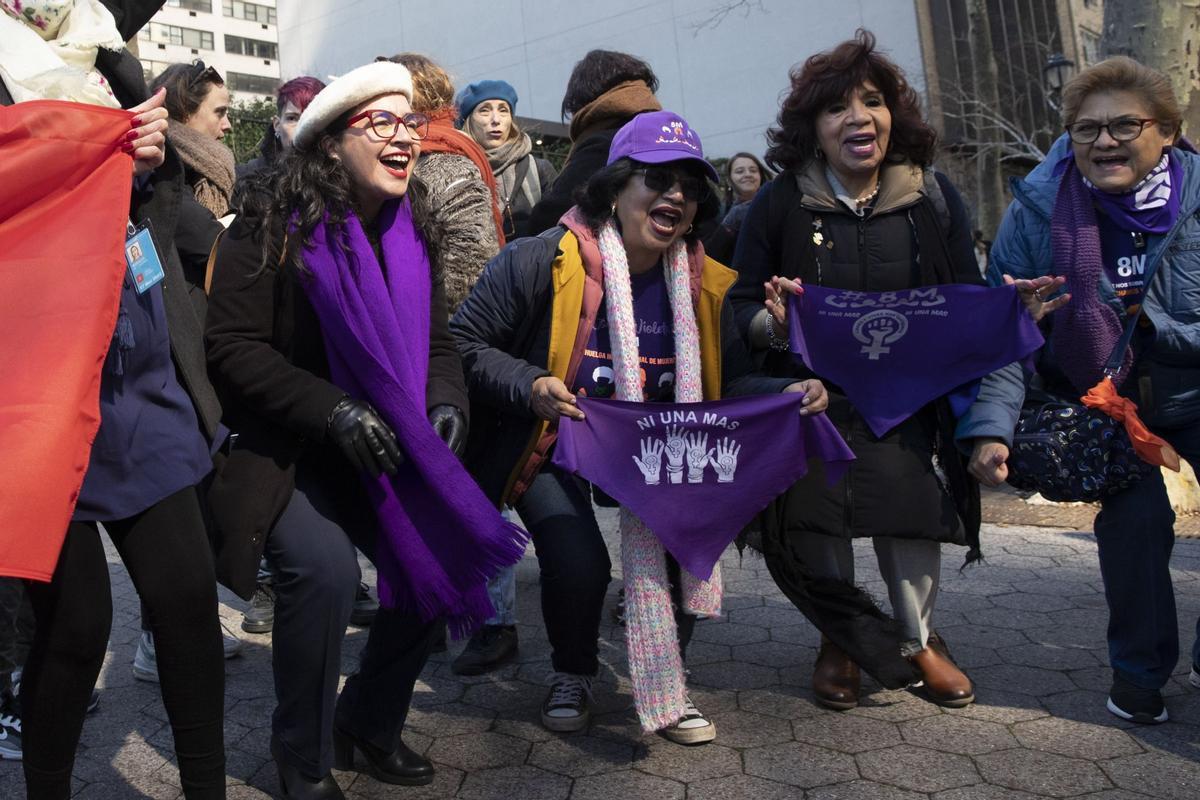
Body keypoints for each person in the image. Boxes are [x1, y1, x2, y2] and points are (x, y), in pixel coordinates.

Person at [451, 110, 828, 743]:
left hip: (661, 449)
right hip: (557, 438)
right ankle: (573, 673)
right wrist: (530, 385)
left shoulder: (704, 282)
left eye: (687, 184)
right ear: (615, 188)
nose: (674, 195)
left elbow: (728, 384)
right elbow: (462, 343)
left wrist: (785, 390)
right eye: (656, 180)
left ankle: (669, 684)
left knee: (684, 543)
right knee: (578, 560)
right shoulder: (542, 260)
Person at [206, 60, 524, 798]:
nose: (404, 137)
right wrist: (333, 409)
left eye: (409, 123)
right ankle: (302, 759)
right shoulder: (269, 219)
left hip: (381, 443)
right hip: (284, 445)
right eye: (382, 122)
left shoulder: (410, 226)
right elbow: (233, 350)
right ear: (331, 143)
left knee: (442, 553)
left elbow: (439, 341)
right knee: (325, 574)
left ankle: (368, 725)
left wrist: (446, 402)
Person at [731, 30, 1023, 712]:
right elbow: (740, 306)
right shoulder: (778, 205)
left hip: (907, 398)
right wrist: (772, 324)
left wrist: (1011, 312)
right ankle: (843, 638)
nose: (858, 118)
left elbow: (966, 301)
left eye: (872, 101)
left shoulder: (933, 198)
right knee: (820, 519)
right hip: (813, 400)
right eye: (836, 108)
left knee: (909, 514)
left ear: (895, 114)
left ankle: (918, 640)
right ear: (813, 129)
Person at [1, 1, 228, 795]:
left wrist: (148, 159)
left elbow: (155, 201)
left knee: (188, 598)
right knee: (75, 628)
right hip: (32, 393)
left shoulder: (101, 51)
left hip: (137, 381)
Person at [989, 55, 1200, 724]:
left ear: (1166, 131)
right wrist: (993, 421)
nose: (1104, 142)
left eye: (1124, 125)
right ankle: (1139, 676)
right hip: (1107, 398)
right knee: (1136, 530)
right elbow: (997, 326)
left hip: (1194, 384)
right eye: (1086, 130)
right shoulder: (1037, 209)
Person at [383, 53, 521, 675]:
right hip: (431, 347)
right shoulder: (434, 146)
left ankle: (495, 624)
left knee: (469, 488)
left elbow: (472, 259)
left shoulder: (441, 156)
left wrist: (444, 346)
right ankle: (433, 610)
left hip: (452, 349)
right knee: (437, 486)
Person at [527, 49, 661, 234]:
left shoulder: (605, 144)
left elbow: (550, 217)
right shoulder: (665, 136)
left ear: (584, 99)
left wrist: (515, 223)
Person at [457, 79, 557, 239]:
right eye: (484, 110)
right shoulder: (456, 173)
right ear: (468, 121)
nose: (496, 119)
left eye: (503, 110)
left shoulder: (539, 170)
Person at [150, 61, 235, 219]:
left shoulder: (212, 173)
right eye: (220, 112)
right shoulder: (160, 175)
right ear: (184, 110)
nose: (228, 125)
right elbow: (206, 237)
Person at [237, 75, 326, 181]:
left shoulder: (343, 178)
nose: (302, 128)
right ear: (277, 125)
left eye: (311, 119)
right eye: (292, 118)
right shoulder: (247, 177)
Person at [703, 152, 772, 264]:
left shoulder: (775, 207)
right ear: (729, 179)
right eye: (740, 171)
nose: (747, 174)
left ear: (761, 176)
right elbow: (710, 255)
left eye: (753, 170)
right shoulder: (719, 213)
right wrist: (731, 222)